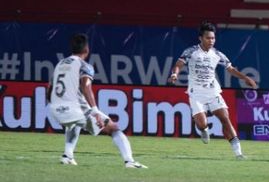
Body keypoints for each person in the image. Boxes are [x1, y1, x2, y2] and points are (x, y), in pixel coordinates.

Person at [47, 33, 147, 168]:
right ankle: (130, 161)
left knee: (74, 124)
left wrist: (54, 105)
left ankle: (68, 156)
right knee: (113, 128)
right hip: (74, 108)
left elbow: (49, 89)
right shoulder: (84, 65)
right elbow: (86, 86)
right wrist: (95, 111)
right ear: (86, 49)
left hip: (55, 108)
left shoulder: (60, 63)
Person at [168, 21, 258, 159]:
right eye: (208, 38)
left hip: (213, 92)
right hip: (196, 93)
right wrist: (175, 74)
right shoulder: (191, 52)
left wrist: (245, 78)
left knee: (225, 119)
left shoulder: (217, 54)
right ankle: (203, 130)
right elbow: (179, 64)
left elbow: (230, 69)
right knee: (202, 124)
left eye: (213, 38)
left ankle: (239, 153)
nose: (211, 41)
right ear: (201, 38)